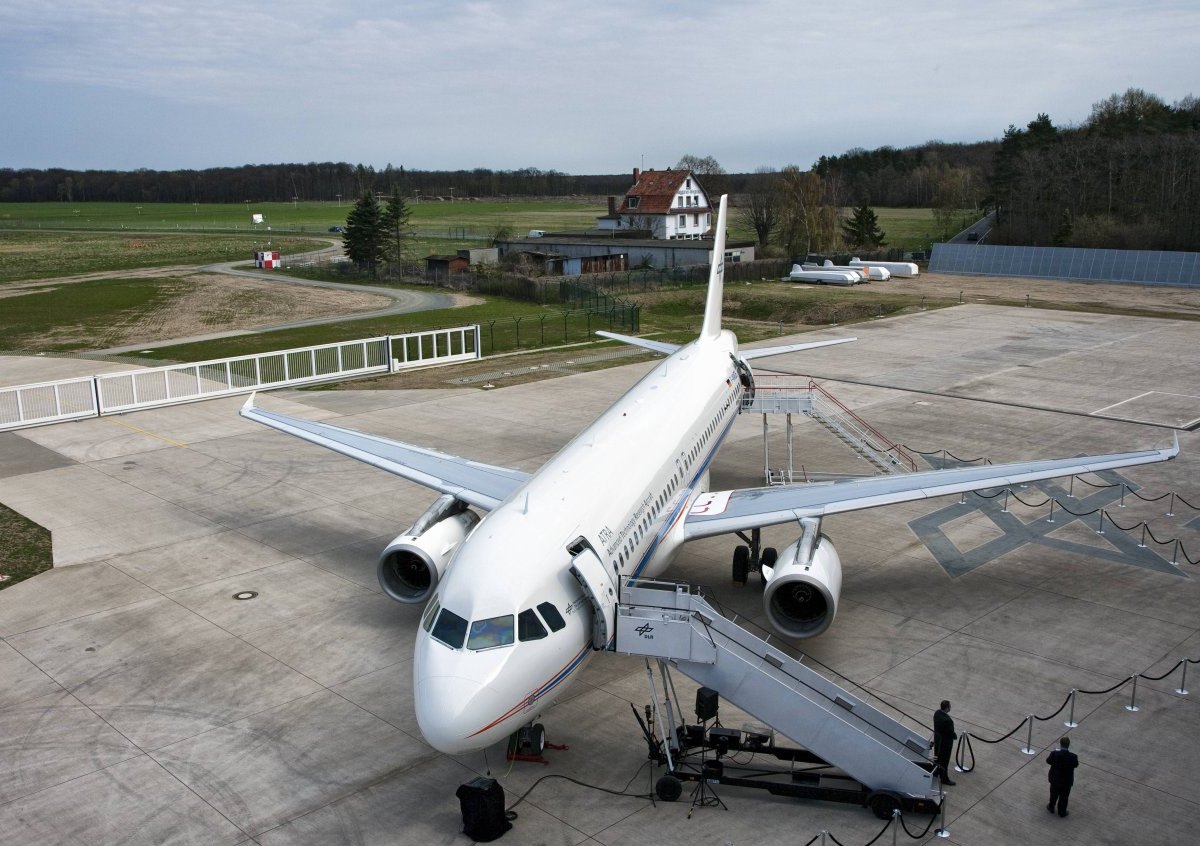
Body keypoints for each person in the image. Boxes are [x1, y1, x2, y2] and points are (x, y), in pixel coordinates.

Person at [1046, 736, 1079, 817]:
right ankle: (1062, 811)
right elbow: (1076, 765)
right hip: (1066, 781)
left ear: (1060, 744)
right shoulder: (1073, 756)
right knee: (1064, 797)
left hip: (1055, 779)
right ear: (1068, 745)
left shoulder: (1054, 753)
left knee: (1053, 794)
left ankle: (1051, 807)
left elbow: (1048, 761)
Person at [933, 700, 957, 786]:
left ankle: (935, 772)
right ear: (947, 708)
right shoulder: (948, 721)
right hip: (945, 744)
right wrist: (955, 736)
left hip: (937, 740)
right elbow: (950, 733)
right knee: (944, 761)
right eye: (949, 706)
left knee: (937, 758)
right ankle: (944, 778)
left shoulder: (937, 713)